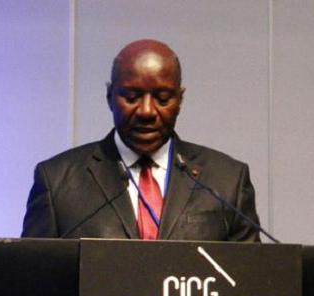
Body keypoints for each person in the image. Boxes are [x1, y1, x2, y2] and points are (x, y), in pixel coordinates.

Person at [21, 39, 261, 242]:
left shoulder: (227, 181)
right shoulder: (57, 182)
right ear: (109, 97)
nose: (147, 111)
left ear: (180, 100)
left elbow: (250, 276)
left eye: (162, 98)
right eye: (132, 97)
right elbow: (33, 275)